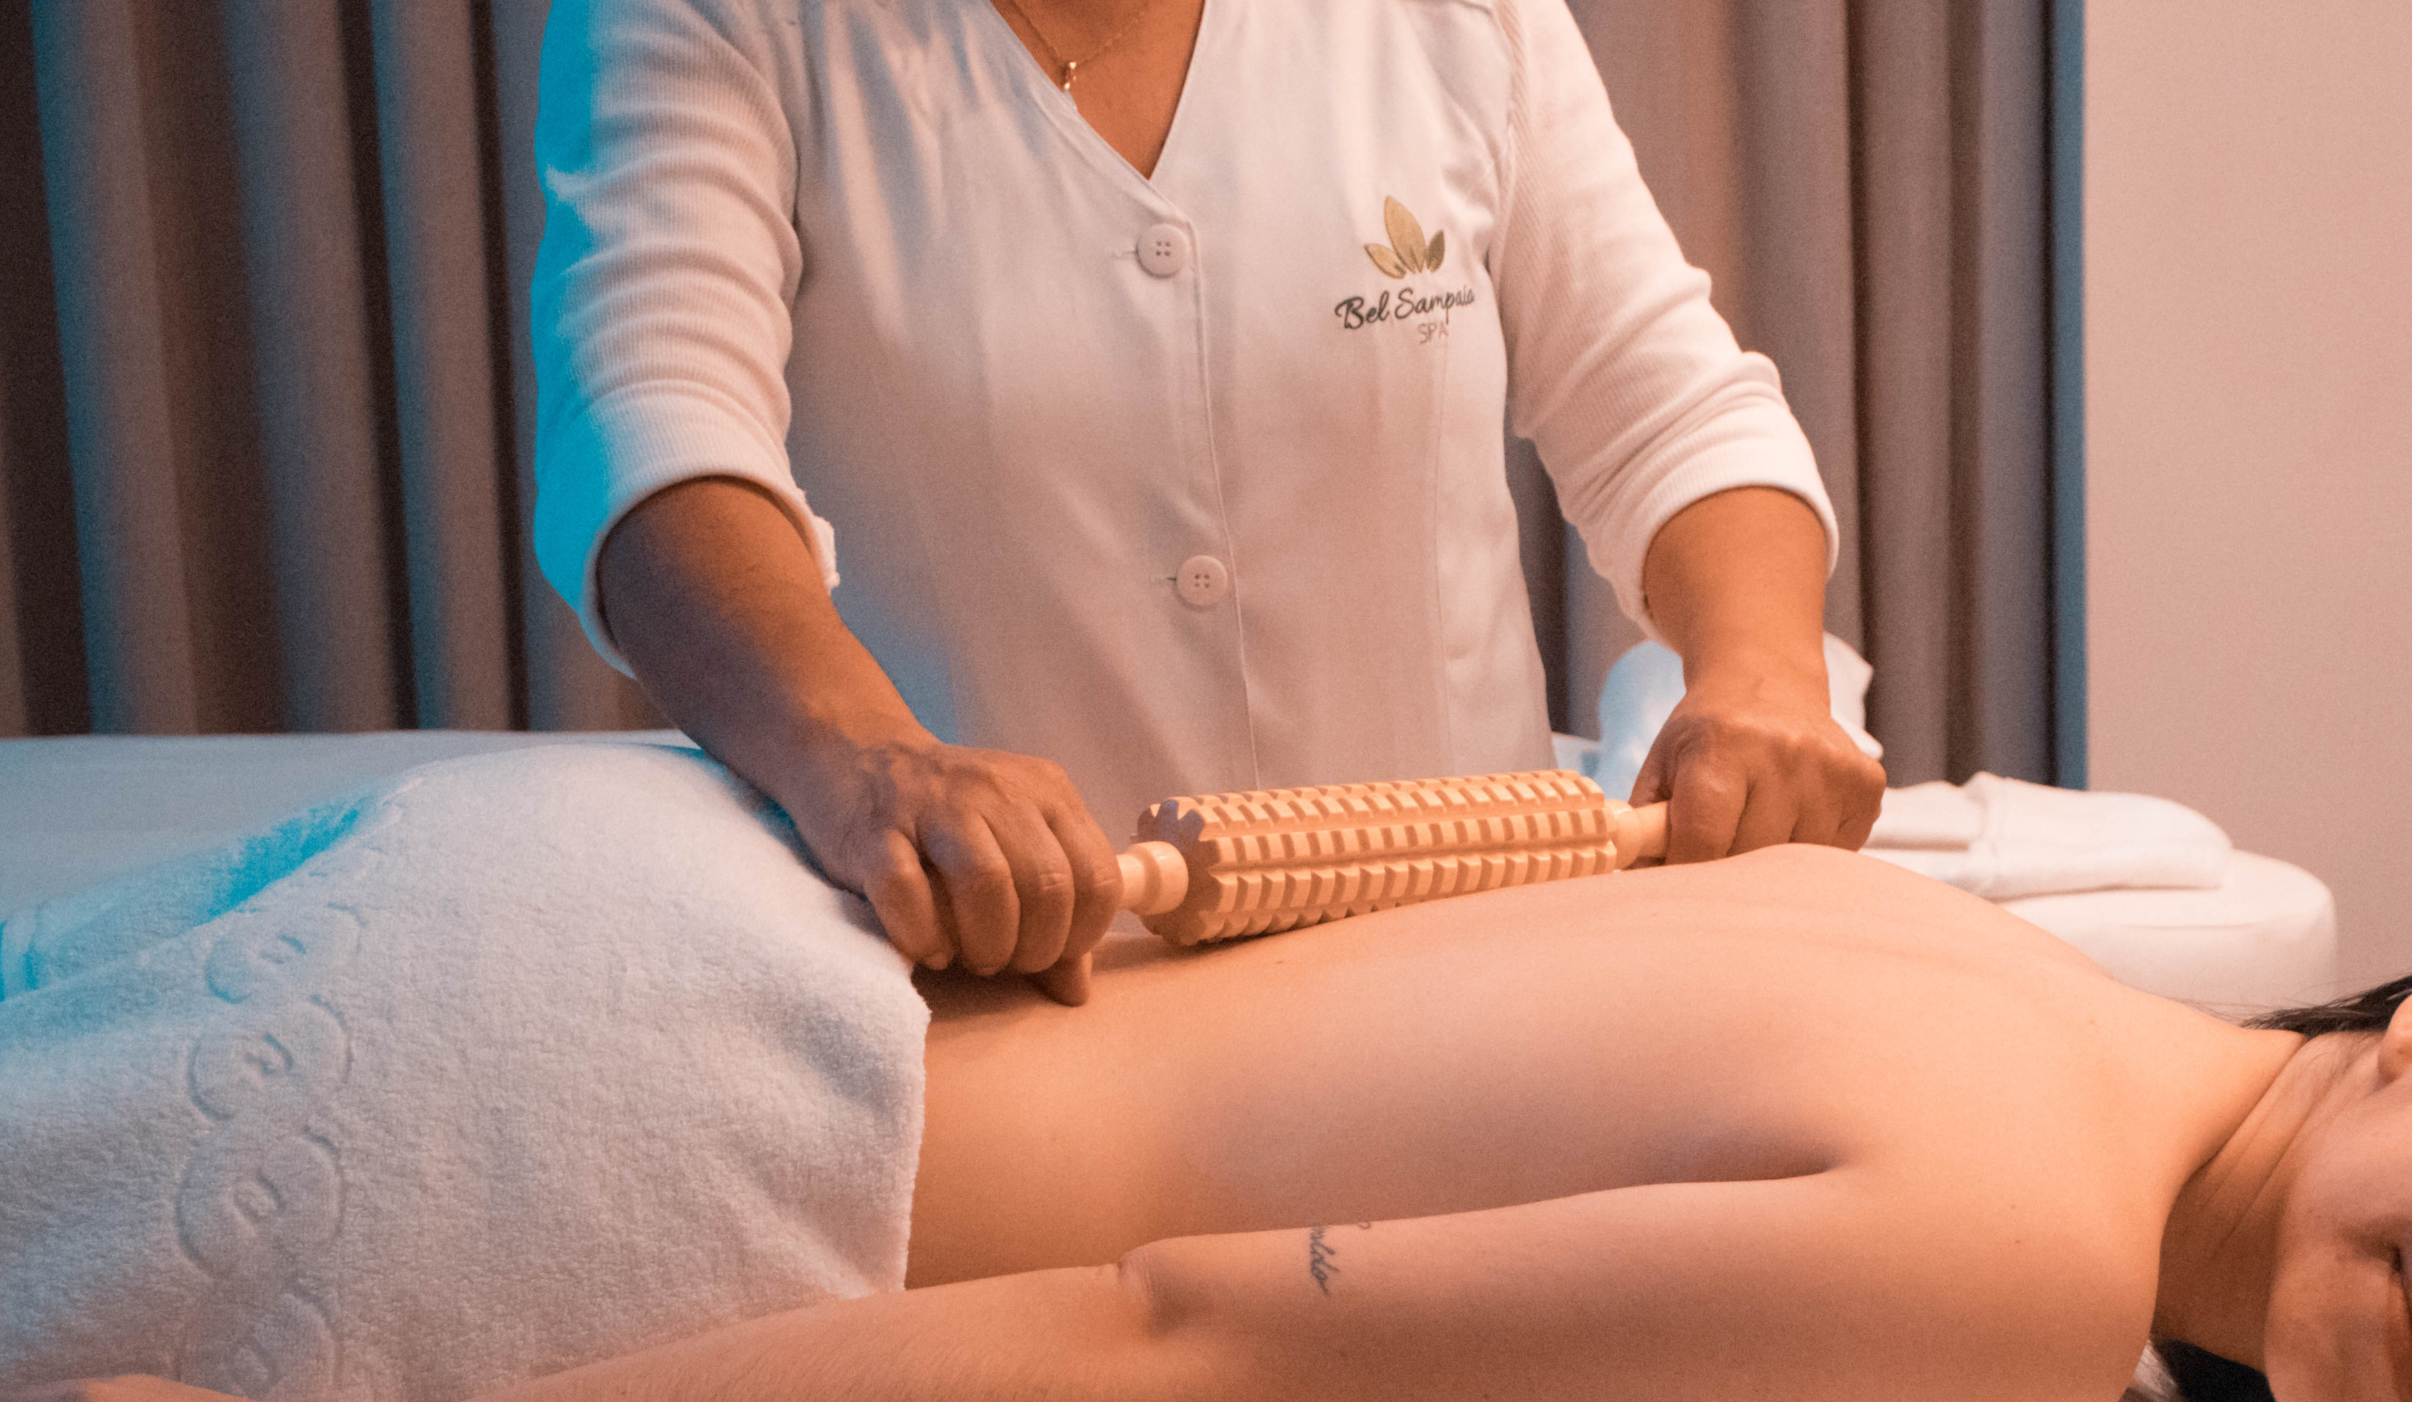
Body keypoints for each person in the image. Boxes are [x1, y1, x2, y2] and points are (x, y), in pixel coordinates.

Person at [0, 846, 2412, 1402]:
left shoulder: (1974, 954)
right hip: (635, 1135)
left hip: (625, 942)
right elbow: (1168, 1344)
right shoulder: (2023, 1272)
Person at [536, 0, 1882, 1001]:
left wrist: (1761, 677)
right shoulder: (718, 20)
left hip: (1480, 970)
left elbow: (1670, 407)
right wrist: (866, 765)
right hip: (1033, 989)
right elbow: (652, 432)